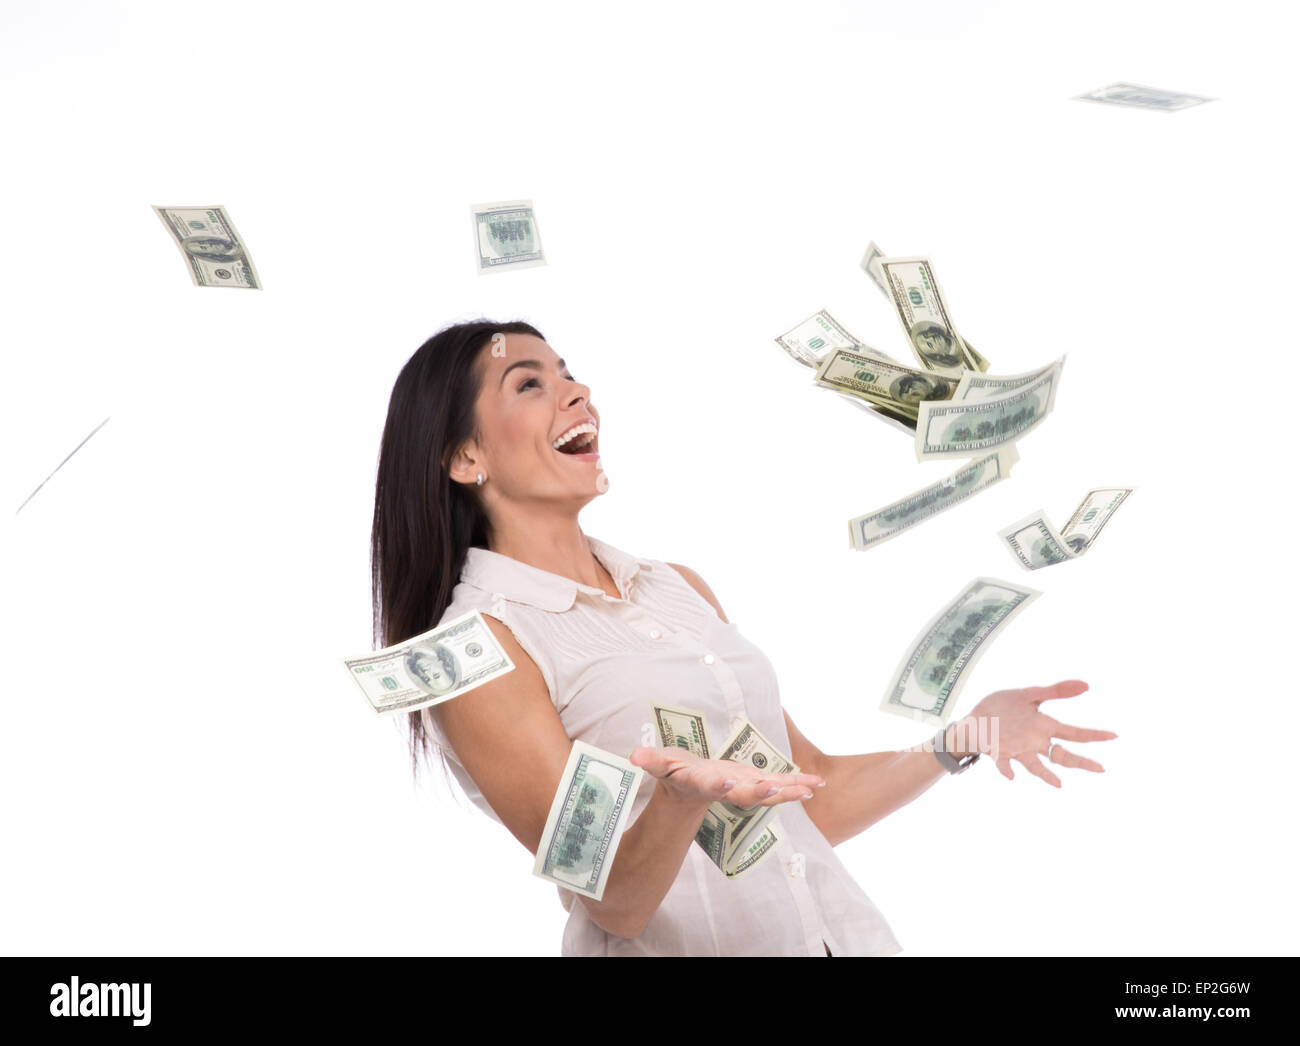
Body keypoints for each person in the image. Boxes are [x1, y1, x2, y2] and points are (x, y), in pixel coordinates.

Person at [367, 319, 1118, 956]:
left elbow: (807, 797)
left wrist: (965, 737)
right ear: (466, 458)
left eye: (569, 373)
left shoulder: (676, 586)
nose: (576, 392)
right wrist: (679, 802)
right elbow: (613, 903)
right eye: (529, 384)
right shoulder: (476, 649)